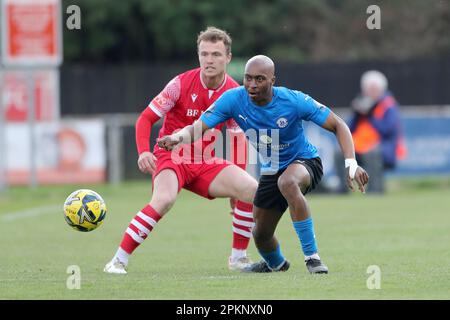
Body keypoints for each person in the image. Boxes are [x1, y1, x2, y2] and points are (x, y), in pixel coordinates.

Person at [157, 55, 369, 274]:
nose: (252, 84)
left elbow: (338, 124)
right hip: (272, 168)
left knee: (288, 182)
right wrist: (177, 138)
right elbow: (198, 127)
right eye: (248, 78)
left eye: (259, 79)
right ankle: (276, 264)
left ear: (272, 80)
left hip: (305, 161)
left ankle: (312, 258)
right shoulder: (233, 100)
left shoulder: (293, 100)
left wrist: (351, 164)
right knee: (260, 234)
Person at [104, 27, 258, 274]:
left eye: (216, 54)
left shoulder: (234, 94)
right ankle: (118, 260)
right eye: (204, 53)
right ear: (198, 55)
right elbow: (145, 119)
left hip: (204, 161)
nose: (209, 60)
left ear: (228, 58)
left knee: (251, 189)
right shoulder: (179, 84)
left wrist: (236, 186)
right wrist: (144, 152)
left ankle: (238, 259)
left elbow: (238, 139)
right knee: (164, 200)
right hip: (170, 156)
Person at [336, 70, 406, 193]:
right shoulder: (361, 103)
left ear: (381, 89)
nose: (371, 92)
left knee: (373, 153)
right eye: (369, 89)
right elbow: (348, 129)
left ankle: (375, 190)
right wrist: (357, 114)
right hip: (360, 146)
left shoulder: (388, 105)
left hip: (382, 147)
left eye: (374, 89)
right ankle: (343, 189)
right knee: (339, 152)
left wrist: (370, 115)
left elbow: (388, 130)